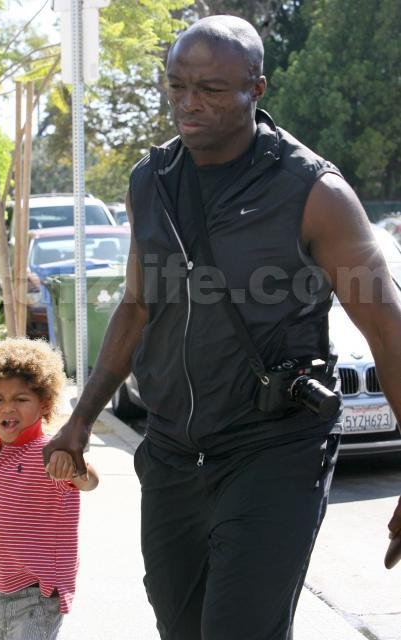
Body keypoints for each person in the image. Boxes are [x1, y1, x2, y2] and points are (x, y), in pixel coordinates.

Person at [43, 15, 401, 640]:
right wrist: (81, 419)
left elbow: (387, 328)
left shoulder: (313, 192)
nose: (188, 103)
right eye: (177, 86)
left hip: (273, 450)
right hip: (173, 454)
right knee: (181, 629)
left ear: (255, 89)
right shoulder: (151, 181)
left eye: (209, 89)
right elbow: (137, 305)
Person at [0, 337, 98, 640]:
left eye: (21, 399)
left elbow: (90, 481)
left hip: (35, 597)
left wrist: (73, 465)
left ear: (45, 404)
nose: (8, 408)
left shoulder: (50, 452)